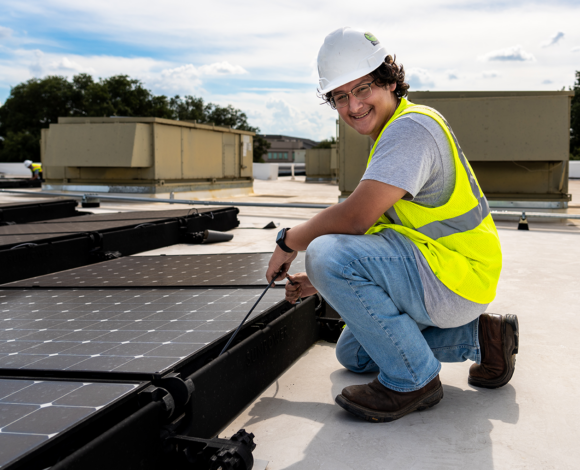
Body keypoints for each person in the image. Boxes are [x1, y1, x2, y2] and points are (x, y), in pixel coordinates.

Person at [266, 27, 519, 423]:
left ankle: (413, 380)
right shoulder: (392, 131)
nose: (353, 105)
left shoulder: (410, 129)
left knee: (325, 251)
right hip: (445, 270)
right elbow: (382, 231)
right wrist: (318, 281)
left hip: (453, 275)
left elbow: (355, 219)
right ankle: (482, 339)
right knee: (355, 354)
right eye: (340, 97)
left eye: (362, 88)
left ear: (388, 80)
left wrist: (288, 241)